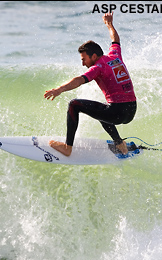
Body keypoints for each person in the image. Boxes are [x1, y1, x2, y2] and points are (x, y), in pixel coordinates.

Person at [43, 12, 137, 157]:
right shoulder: (115, 56)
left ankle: (68, 148)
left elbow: (79, 80)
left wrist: (59, 89)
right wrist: (109, 24)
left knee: (74, 104)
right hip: (131, 110)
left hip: (117, 113)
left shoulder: (98, 67)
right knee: (102, 110)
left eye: (84, 59)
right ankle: (120, 144)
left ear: (94, 56)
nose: (83, 63)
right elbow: (115, 40)